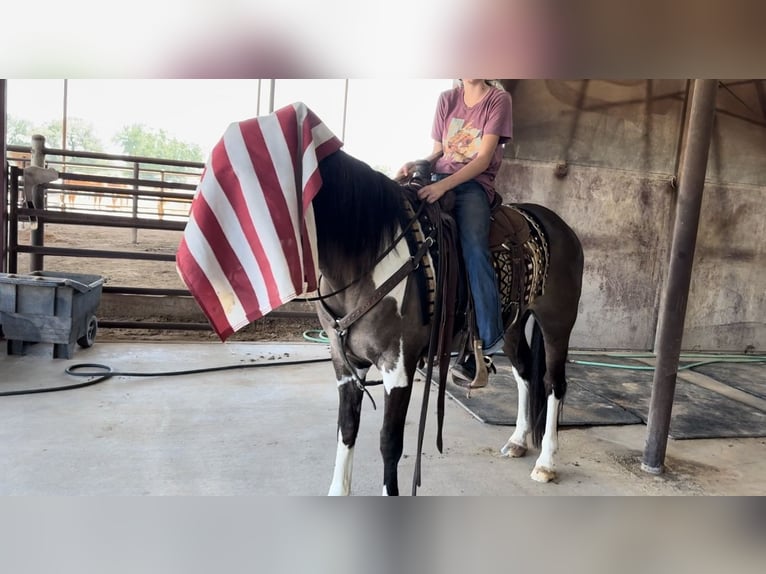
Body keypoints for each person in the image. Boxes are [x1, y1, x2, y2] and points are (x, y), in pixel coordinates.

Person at [397, 79, 513, 384]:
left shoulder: (498, 101)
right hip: (437, 176)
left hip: (473, 185)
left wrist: (443, 186)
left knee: (474, 250)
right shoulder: (447, 99)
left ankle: (486, 344)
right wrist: (419, 163)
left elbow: (483, 158)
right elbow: (439, 151)